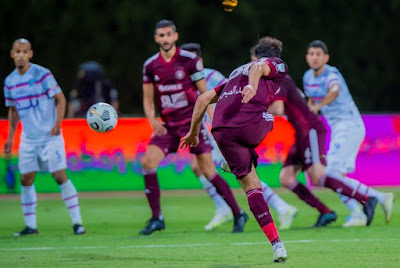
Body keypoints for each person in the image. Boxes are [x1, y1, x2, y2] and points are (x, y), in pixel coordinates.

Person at [181, 36, 290, 262]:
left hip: (221, 131)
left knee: (252, 186)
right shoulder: (274, 64)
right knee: (271, 116)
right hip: (249, 124)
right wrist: (252, 84)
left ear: (253, 54)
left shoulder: (233, 74)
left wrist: (192, 132)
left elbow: (203, 99)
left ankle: (277, 245)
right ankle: (276, 244)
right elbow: (260, 67)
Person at [140, 19, 248, 235]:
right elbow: (148, 99)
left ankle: (237, 213)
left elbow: (205, 94)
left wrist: (212, 124)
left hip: (193, 124)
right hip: (168, 126)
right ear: (156, 39)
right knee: (148, 162)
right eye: (161, 35)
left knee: (207, 170)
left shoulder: (190, 60)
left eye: (168, 34)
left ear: (175, 36)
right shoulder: (150, 65)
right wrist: (152, 120)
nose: (165, 39)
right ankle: (157, 218)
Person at [303, 40, 393, 226]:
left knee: (329, 173)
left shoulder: (331, 73)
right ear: (307, 57)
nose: (315, 57)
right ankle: (364, 209)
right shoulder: (307, 78)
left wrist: (319, 106)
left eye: (319, 54)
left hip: (350, 125)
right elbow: (311, 101)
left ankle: (372, 201)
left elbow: (334, 91)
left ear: (326, 58)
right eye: (311, 54)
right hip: (337, 128)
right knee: (335, 177)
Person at [3, 38, 85, 236]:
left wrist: (58, 124)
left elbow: (60, 99)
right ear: (12, 54)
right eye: (17, 52)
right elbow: (13, 110)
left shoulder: (42, 74)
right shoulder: (10, 81)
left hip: (50, 136)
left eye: (25, 52)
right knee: (25, 178)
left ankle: (77, 223)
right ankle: (31, 226)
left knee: (59, 175)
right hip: (28, 139)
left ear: (30, 54)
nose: (21, 55)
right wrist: (10, 137)